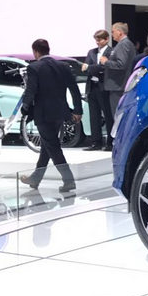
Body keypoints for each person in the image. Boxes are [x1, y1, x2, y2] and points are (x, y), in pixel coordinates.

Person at [18, 39, 83, 193]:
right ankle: (35, 178)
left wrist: (25, 107)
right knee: (48, 145)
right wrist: (78, 110)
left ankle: (68, 180)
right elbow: (74, 89)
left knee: (52, 146)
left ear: (35, 51)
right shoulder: (63, 66)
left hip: (43, 113)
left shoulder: (34, 67)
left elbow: (31, 90)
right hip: (60, 112)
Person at [80, 29, 113, 151]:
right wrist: (95, 68)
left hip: (104, 88)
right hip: (92, 87)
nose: (97, 42)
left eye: (100, 40)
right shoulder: (91, 52)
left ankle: (110, 142)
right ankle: (96, 142)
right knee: (94, 116)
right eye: (96, 40)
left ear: (107, 39)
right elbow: (85, 69)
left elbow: (106, 68)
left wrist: (90, 67)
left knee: (108, 116)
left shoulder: (111, 52)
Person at [102, 22, 136, 136]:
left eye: (113, 31)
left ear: (119, 32)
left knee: (119, 117)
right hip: (119, 85)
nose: (112, 34)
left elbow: (121, 64)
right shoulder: (125, 44)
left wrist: (106, 62)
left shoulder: (123, 44)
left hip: (119, 86)